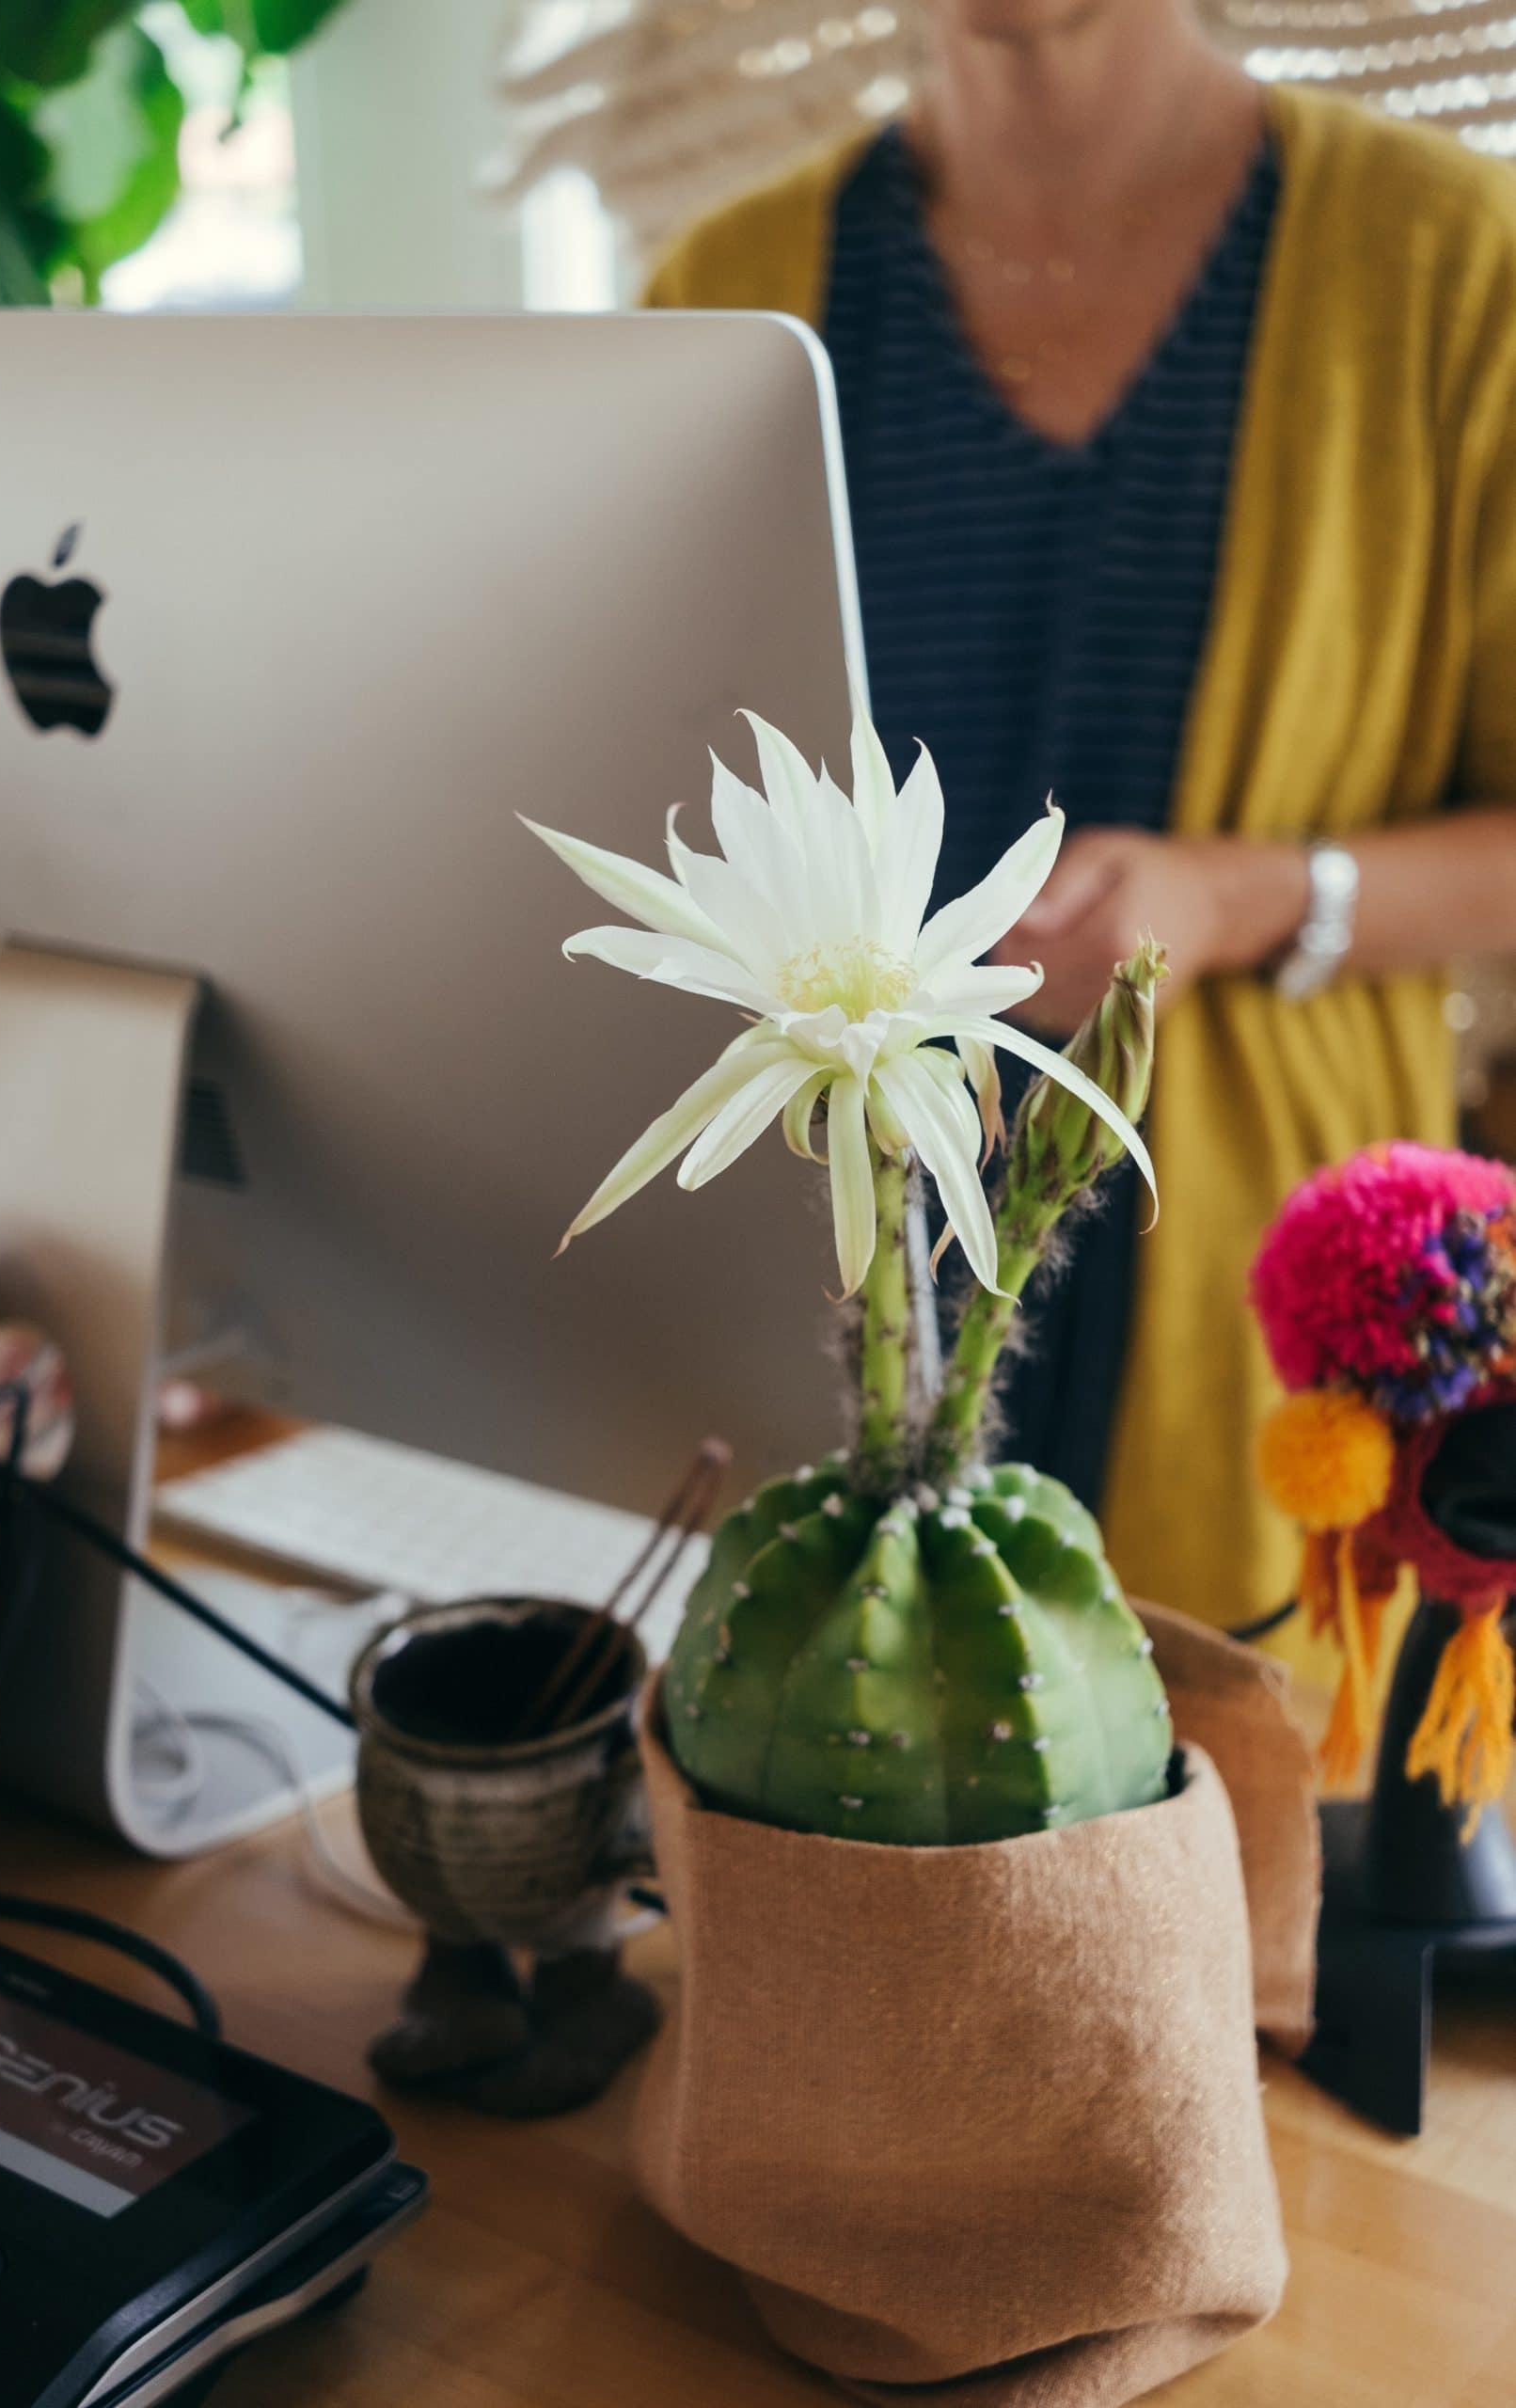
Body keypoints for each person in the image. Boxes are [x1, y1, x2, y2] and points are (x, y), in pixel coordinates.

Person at [642, 0, 1516, 1663]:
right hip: (817, 1297)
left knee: (1219, 1862)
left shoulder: (1454, 266)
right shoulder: (725, 291)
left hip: (1253, 1316)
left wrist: (1259, 896)